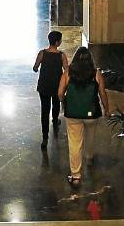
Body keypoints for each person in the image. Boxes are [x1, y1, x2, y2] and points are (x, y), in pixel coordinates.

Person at [59, 46, 109, 184]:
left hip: (73, 113)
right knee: (90, 136)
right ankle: (89, 157)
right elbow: (103, 93)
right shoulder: (96, 73)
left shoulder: (68, 73)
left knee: (75, 143)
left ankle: (75, 175)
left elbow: (59, 94)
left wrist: (65, 101)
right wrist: (107, 109)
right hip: (91, 113)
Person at [33, 31, 68, 149]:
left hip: (44, 86)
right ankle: (55, 119)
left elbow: (35, 67)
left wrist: (37, 68)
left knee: (44, 109)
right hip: (57, 86)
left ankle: (45, 137)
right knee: (56, 103)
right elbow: (66, 71)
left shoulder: (42, 53)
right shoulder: (62, 55)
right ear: (58, 42)